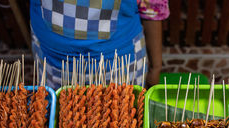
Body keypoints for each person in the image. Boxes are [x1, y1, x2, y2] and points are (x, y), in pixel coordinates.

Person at [30, 0, 169, 89]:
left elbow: (151, 8)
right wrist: (156, 66)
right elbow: (152, 9)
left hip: (120, 63)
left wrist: (156, 67)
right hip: (51, 59)